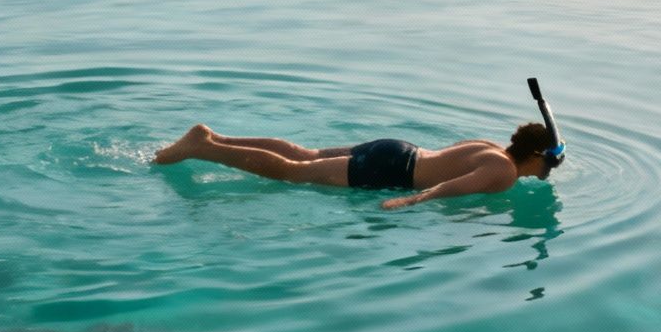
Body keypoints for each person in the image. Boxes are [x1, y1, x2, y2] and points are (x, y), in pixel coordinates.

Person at [152, 122, 561, 208]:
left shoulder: (489, 147)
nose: (549, 172)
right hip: (392, 173)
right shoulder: (505, 172)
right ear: (537, 156)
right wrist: (410, 202)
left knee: (304, 152)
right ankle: (201, 149)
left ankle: (216, 137)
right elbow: (450, 188)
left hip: (398, 149)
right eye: (551, 164)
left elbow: (451, 168)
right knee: (293, 172)